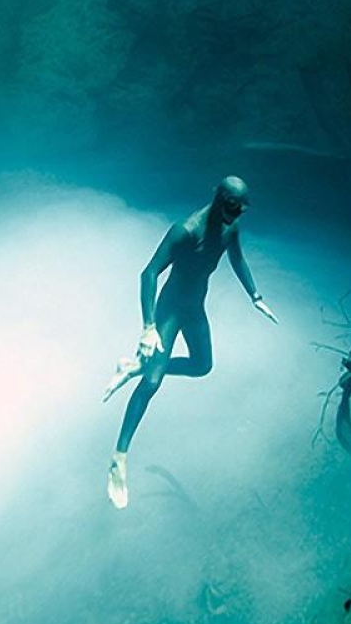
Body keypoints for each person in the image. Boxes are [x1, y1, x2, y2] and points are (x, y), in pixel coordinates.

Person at [103, 176, 278, 508]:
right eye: (232, 207)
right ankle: (119, 457)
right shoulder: (185, 231)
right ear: (219, 199)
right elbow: (148, 273)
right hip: (170, 310)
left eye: (241, 210)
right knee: (152, 383)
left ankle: (134, 366)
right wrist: (148, 327)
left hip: (195, 307)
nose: (236, 215)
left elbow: (237, 258)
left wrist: (255, 296)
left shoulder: (231, 226)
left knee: (202, 365)